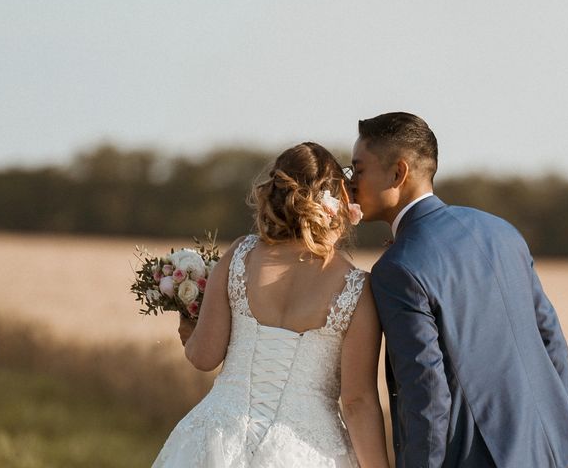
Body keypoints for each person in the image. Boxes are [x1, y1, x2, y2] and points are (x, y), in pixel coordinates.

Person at [350, 112, 568, 468]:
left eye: (358, 169)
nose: (351, 183)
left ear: (398, 173)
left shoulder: (398, 268)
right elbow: (551, 339)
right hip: (547, 450)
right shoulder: (501, 231)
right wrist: (554, 431)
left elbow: (426, 392)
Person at [152, 142, 390, 468]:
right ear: (338, 203)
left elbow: (204, 356)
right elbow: (357, 400)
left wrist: (188, 324)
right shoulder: (356, 287)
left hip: (219, 435)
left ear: (274, 192)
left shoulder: (240, 255)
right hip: (304, 449)